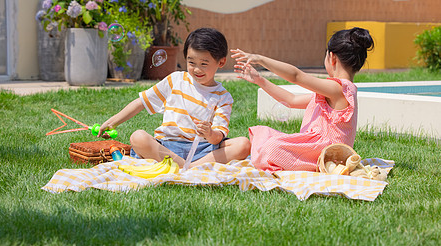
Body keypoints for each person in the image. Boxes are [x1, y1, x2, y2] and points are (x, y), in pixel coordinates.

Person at [98, 27, 250, 168]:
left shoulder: (223, 97)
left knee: (243, 144)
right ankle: (188, 167)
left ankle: (187, 167)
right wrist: (112, 123)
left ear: (221, 62)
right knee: (138, 137)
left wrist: (210, 134)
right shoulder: (175, 80)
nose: (196, 69)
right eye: (191, 62)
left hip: (203, 150)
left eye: (204, 63)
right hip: (167, 147)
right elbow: (141, 102)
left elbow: (218, 138)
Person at [232, 27, 374, 173]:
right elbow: (291, 100)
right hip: (315, 149)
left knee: (271, 148)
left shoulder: (338, 89)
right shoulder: (335, 91)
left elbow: (296, 76)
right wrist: (260, 80)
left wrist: (260, 59)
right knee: (265, 134)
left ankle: (330, 167)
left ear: (332, 58)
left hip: (327, 154)